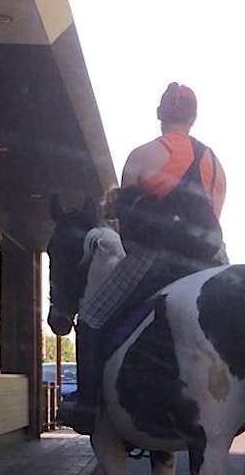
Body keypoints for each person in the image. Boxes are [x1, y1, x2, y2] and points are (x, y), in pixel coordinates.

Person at [57, 82, 228, 435]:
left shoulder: (143, 155)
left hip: (155, 259)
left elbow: (127, 225)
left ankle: (88, 403)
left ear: (160, 114)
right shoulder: (216, 165)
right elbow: (215, 216)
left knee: (90, 317)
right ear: (194, 117)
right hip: (212, 261)